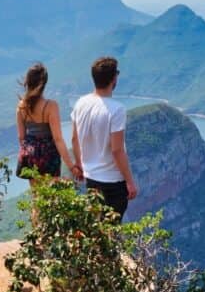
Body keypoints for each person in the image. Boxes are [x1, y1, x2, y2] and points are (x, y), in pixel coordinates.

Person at [70, 56, 138, 221]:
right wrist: (130, 182)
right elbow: (117, 150)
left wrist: (79, 165)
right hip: (113, 182)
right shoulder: (117, 110)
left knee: (97, 229)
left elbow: (74, 139)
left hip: (91, 179)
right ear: (114, 79)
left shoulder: (80, 103)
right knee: (111, 231)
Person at [16, 63, 81, 184]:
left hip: (31, 154)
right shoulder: (51, 106)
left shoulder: (21, 106)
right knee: (50, 196)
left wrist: (30, 153)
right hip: (49, 155)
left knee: (36, 196)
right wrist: (71, 166)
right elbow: (58, 139)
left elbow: (21, 137)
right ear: (43, 84)